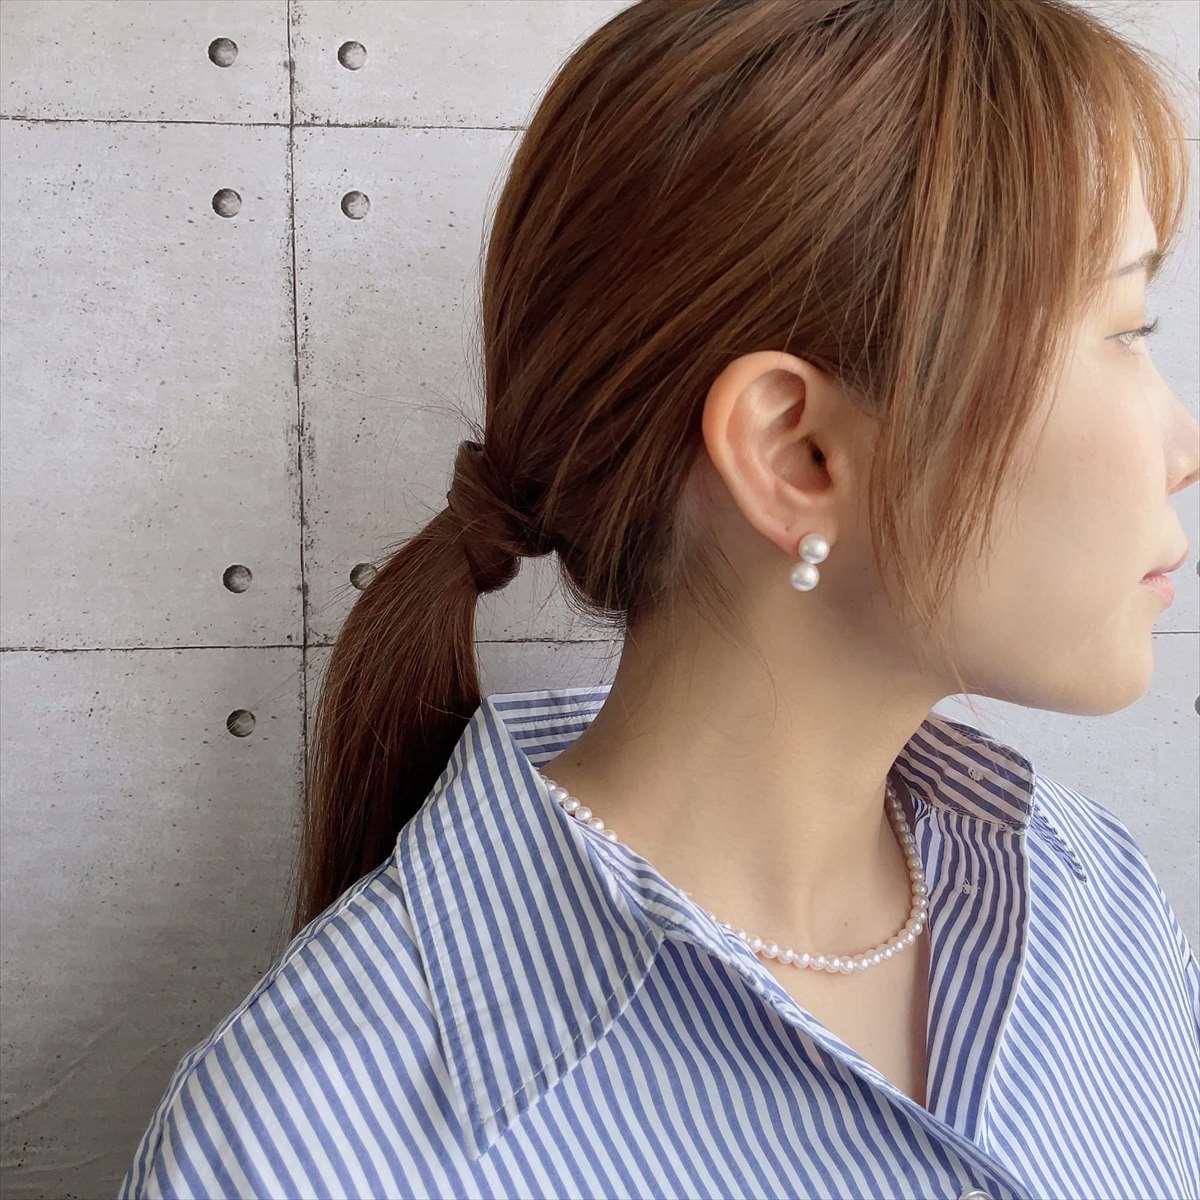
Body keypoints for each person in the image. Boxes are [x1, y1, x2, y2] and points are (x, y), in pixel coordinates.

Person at [120, 1, 1200, 1197]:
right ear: (797, 454)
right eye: (1126, 330)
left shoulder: (1098, 908)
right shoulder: (304, 1147)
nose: (1184, 447)